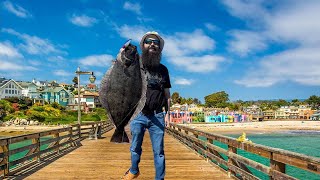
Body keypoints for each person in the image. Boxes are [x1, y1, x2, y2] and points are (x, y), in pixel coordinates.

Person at [122, 31, 171, 180]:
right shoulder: (136, 64)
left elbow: (167, 94)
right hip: (138, 114)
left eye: (156, 43)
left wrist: (168, 114)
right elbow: (123, 63)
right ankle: (134, 170)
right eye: (149, 41)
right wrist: (123, 53)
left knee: (159, 151)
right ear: (143, 45)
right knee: (135, 147)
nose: (152, 44)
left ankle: (159, 179)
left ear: (159, 48)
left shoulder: (163, 70)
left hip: (157, 115)